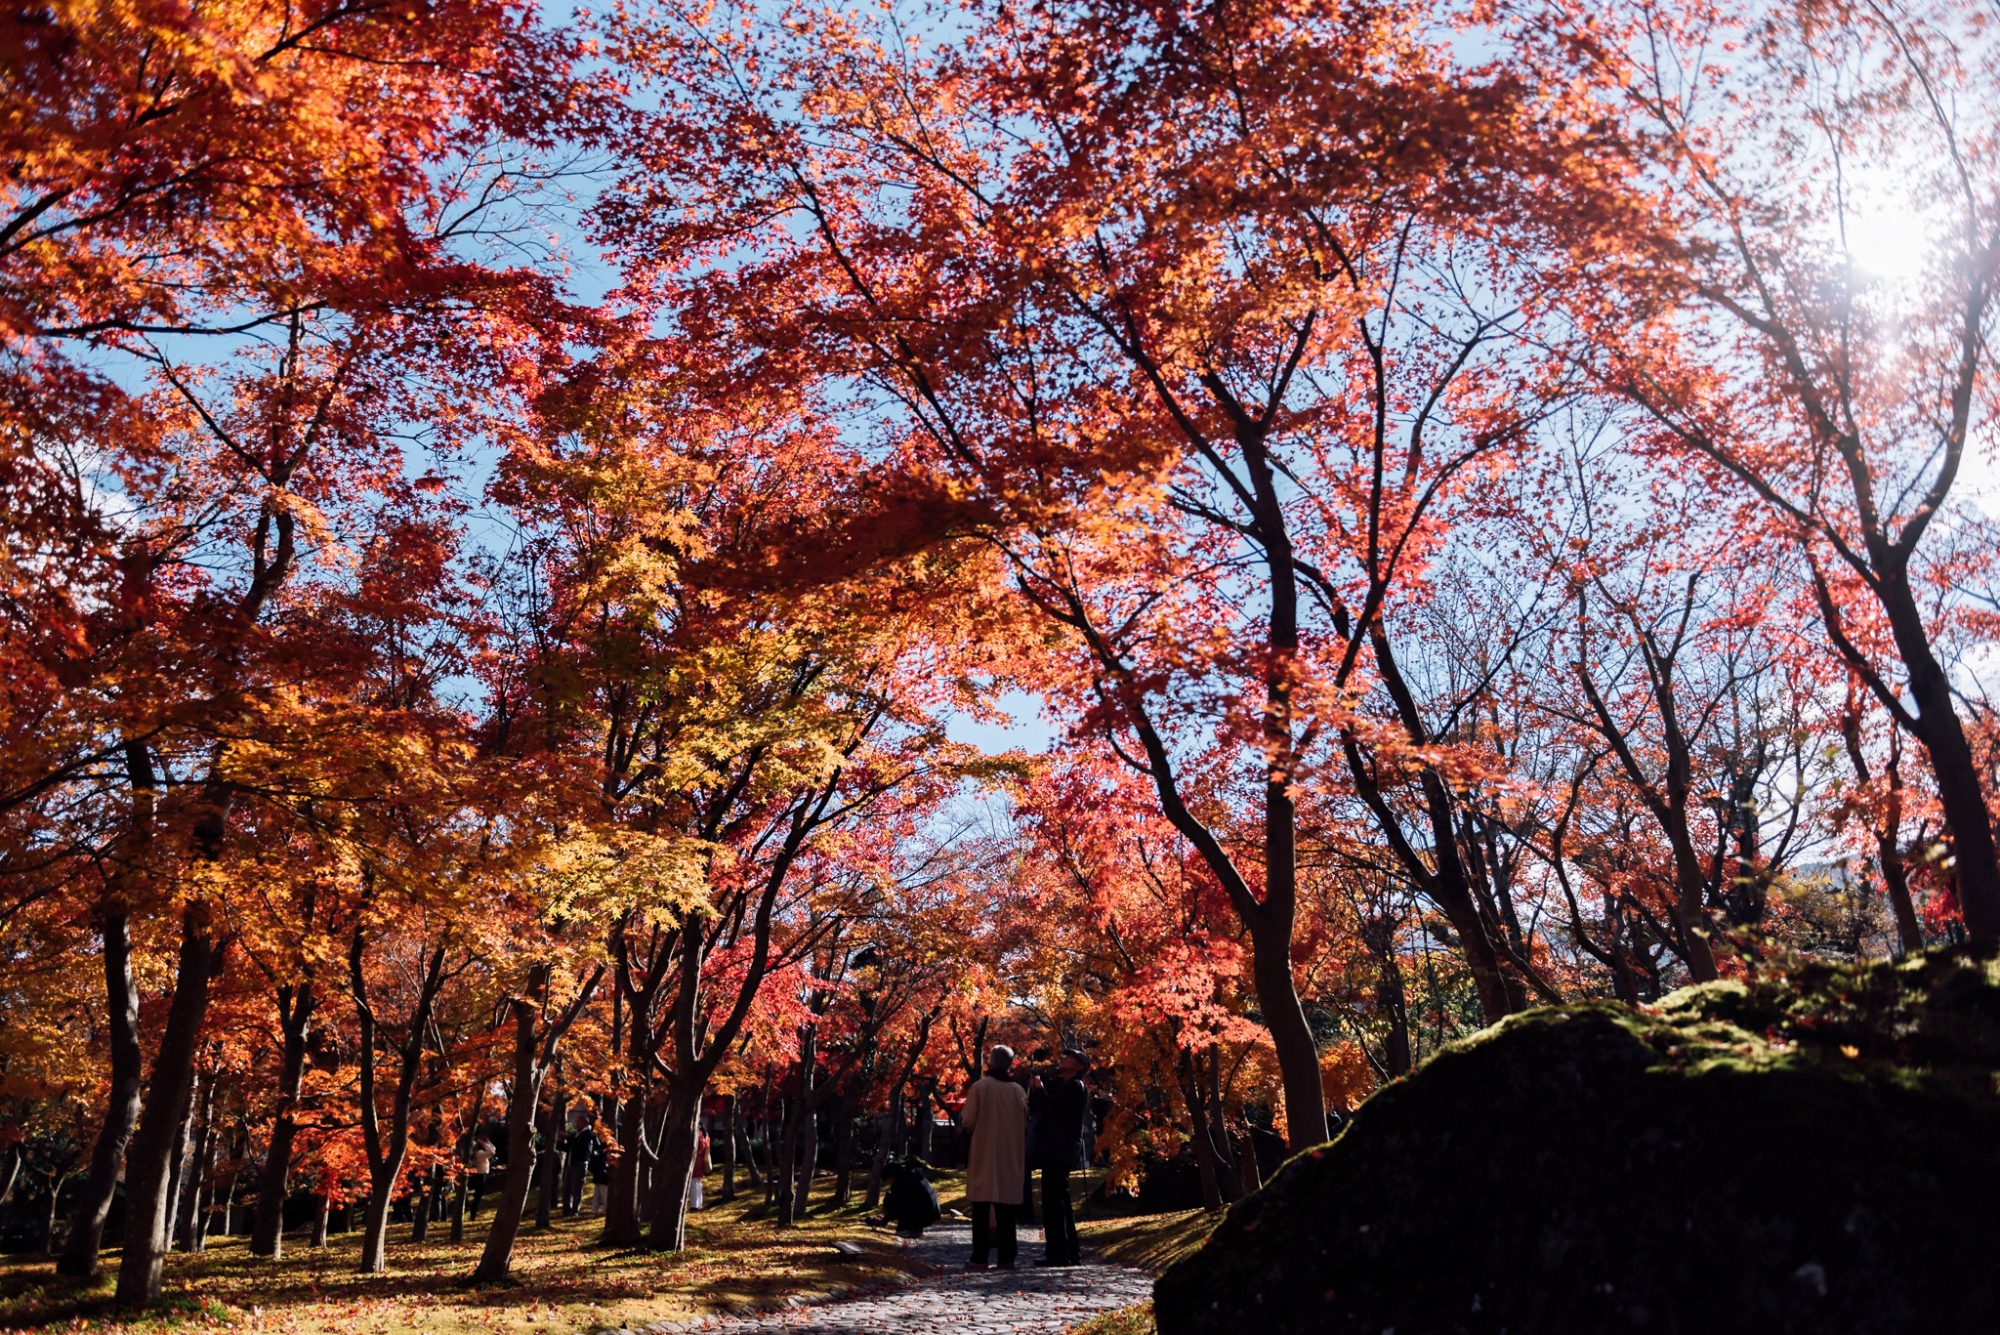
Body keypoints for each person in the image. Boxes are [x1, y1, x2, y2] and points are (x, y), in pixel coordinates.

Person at [960, 1044, 1029, 1270]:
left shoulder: (980, 1087)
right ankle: (1007, 1257)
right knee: (1007, 1209)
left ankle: (979, 1257)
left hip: (984, 1150)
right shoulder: (1018, 1090)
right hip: (1010, 1153)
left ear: (992, 1062)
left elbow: (968, 1120)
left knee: (981, 1206)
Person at [1028, 1048, 1092, 1266]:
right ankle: (1068, 1252)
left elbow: (1053, 1108)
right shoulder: (1065, 1085)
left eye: (1069, 1057)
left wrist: (1039, 1090)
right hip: (1059, 1149)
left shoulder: (1075, 1086)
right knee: (1059, 1201)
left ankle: (1059, 1253)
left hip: (1059, 1149)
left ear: (1079, 1066)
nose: (1063, 1058)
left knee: (1054, 1202)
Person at [884, 1156, 942, 1237]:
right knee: (908, 1203)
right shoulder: (911, 1176)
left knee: (889, 1201)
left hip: (924, 1214)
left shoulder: (901, 1182)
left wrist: (884, 1220)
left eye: (887, 1180)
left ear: (891, 1175)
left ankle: (909, 1230)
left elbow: (898, 1206)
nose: (887, 1183)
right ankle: (916, 1228)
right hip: (932, 1213)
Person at [561, 1104, 595, 1217]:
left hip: (579, 1164)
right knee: (567, 1188)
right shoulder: (576, 1134)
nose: (576, 1124)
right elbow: (568, 1147)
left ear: (583, 1123)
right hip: (571, 1164)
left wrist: (568, 1137)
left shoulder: (587, 1134)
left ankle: (574, 1210)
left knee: (576, 1189)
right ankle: (566, 1210)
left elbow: (579, 1146)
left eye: (577, 1122)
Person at [466, 1133, 497, 1217]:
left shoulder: (478, 1154)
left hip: (479, 1175)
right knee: (478, 1195)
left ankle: (473, 1213)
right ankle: (473, 1213)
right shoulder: (479, 1154)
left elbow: (493, 1149)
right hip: (480, 1175)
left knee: (478, 1195)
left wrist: (487, 1142)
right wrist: (483, 1142)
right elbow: (492, 1152)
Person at [687, 1128, 711, 1211]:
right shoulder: (704, 1135)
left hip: (695, 1161)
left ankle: (694, 1205)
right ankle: (698, 1203)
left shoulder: (697, 1134)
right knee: (697, 1183)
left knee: (694, 1183)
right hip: (700, 1161)